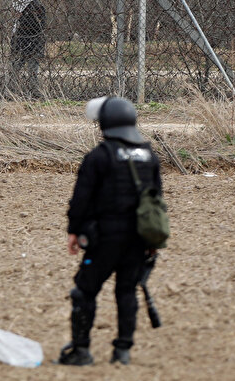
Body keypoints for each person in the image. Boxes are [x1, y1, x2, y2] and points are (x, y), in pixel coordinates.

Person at [56, 96, 162, 366]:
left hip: (105, 236)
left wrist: (73, 230)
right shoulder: (149, 155)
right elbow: (156, 199)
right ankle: (122, 351)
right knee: (126, 292)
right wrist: (152, 240)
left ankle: (81, 351)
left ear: (106, 124)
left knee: (84, 291)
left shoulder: (98, 156)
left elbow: (81, 198)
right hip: (138, 237)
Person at [10, 0, 46, 95]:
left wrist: (22, 17)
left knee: (31, 71)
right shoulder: (21, 6)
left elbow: (38, 27)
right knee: (15, 69)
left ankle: (34, 92)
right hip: (23, 44)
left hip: (31, 44)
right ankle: (14, 91)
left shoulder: (36, 7)